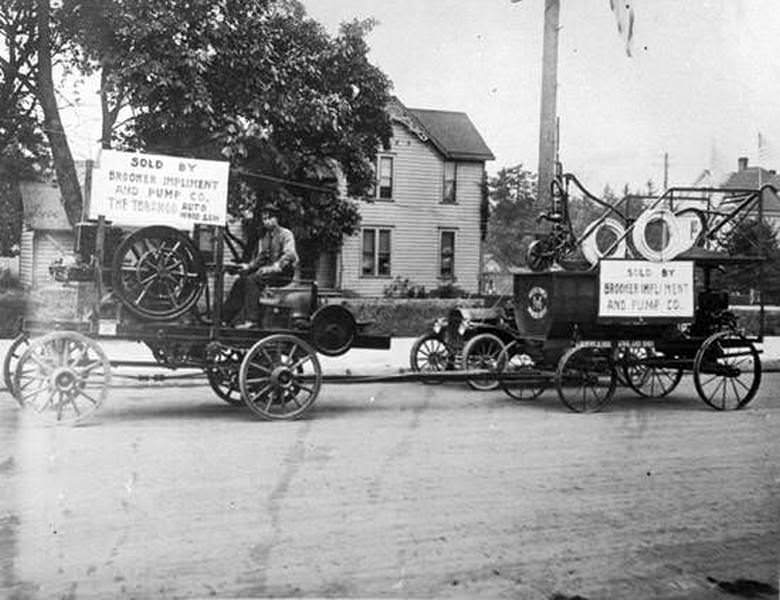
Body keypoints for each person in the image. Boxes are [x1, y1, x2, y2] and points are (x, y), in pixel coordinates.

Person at [223, 206, 299, 328]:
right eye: (264, 219)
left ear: (276, 218)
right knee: (240, 281)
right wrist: (248, 266)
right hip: (269, 272)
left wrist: (276, 266)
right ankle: (225, 318)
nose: (266, 221)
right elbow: (262, 257)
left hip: (284, 273)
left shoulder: (286, 234)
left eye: (269, 218)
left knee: (252, 280)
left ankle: (252, 320)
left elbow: (289, 254)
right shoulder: (265, 237)